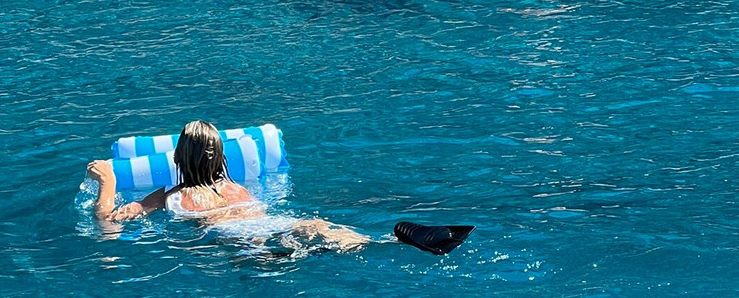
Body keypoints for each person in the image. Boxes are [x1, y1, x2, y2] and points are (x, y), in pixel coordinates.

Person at [86, 119, 473, 255]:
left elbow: (110, 224)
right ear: (221, 158)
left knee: (269, 256)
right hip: (278, 220)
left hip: (241, 239)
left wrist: (109, 183)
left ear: (178, 160)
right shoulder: (238, 187)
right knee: (316, 231)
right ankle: (396, 240)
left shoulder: (173, 195)